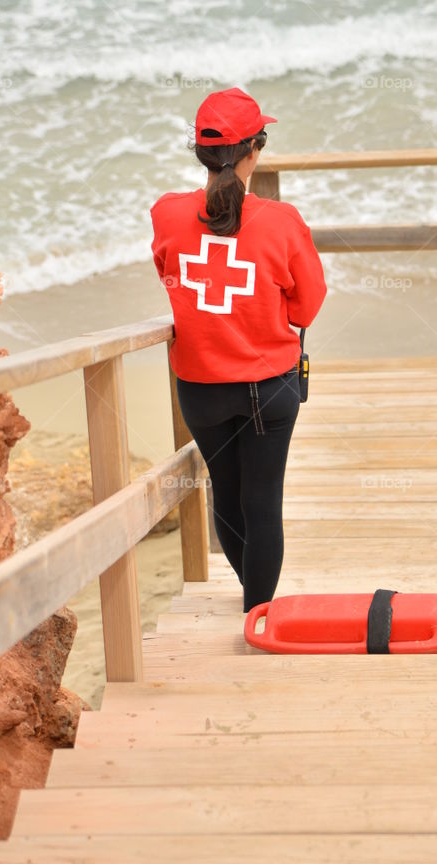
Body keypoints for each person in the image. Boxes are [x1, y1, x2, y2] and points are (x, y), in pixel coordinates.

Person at [150, 87, 327, 611]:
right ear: (254, 150)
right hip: (269, 387)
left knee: (225, 497)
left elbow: (169, 274)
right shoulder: (282, 221)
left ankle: (254, 601)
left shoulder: (166, 214)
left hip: (200, 389)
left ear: (200, 153)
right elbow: (306, 306)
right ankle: (260, 614)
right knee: (262, 502)